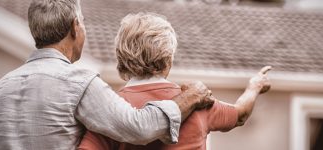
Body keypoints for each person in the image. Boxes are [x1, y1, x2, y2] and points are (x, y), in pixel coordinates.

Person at [0, 1, 215, 150]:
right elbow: (140, 127)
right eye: (83, 23)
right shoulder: (78, 82)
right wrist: (191, 97)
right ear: (75, 27)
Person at [78, 12, 272, 150]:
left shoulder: (111, 110)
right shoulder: (197, 100)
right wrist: (255, 86)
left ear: (121, 58)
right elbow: (240, 115)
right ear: (168, 58)